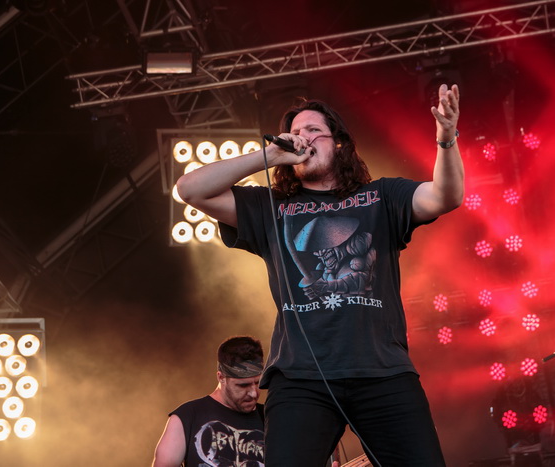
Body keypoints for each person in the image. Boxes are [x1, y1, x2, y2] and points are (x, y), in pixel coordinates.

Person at [176, 84, 463, 466]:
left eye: (314, 130)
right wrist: (271, 154)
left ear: (339, 144)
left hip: (382, 370)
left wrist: (446, 138)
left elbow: (446, 196)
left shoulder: (381, 197)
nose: (303, 138)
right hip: (300, 378)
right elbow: (190, 189)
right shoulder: (270, 207)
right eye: (296, 132)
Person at [152, 336, 265, 467]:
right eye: (243, 385)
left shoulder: (271, 417)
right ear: (221, 377)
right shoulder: (189, 416)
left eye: (257, 383)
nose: (253, 393)